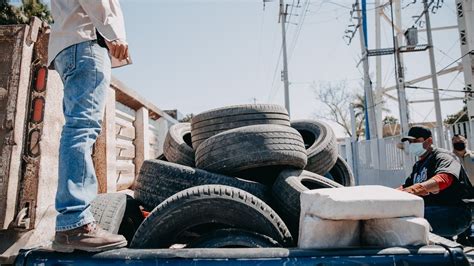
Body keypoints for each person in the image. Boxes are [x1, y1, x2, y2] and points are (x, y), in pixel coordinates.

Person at [48, 0, 130, 252]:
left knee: (78, 128)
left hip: (70, 43)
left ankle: (73, 223)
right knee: (82, 129)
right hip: (86, 41)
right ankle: (75, 224)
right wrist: (113, 33)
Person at [399, 126, 472, 239]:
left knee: (411, 220)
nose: (412, 144)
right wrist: (387, 194)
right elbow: (405, 187)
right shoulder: (418, 165)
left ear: (429, 141)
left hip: (456, 212)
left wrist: (415, 190)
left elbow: (444, 179)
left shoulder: (443, 156)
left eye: (416, 141)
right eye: (410, 142)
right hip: (436, 210)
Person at [451, 134, 474, 245]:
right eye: (456, 141)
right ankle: (462, 236)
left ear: (465, 142)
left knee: (472, 213)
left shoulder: (473, 156)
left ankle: (470, 235)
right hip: (459, 190)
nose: (458, 143)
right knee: (461, 213)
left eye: (461, 141)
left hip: (473, 188)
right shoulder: (450, 157)